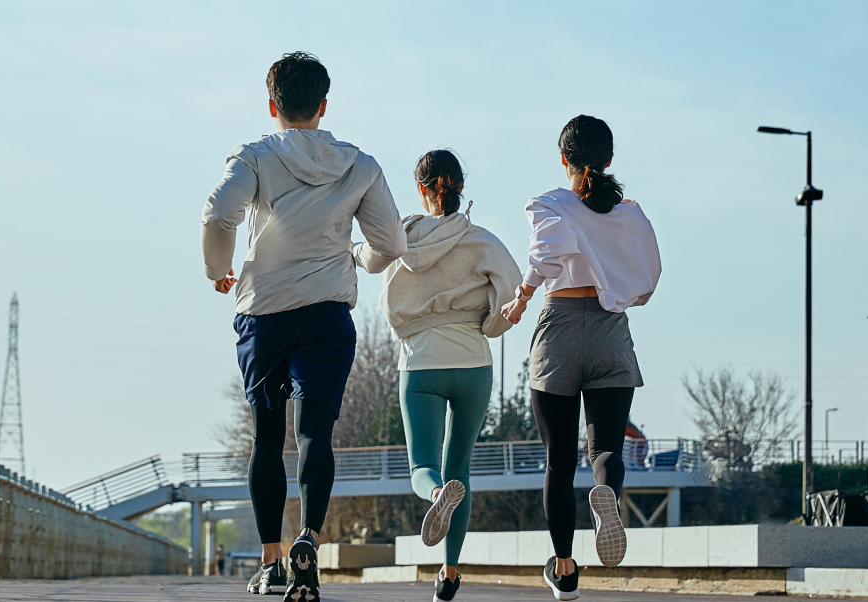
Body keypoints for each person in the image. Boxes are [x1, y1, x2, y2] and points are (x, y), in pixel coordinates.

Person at [201, 51, 407, 601]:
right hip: (327, 315)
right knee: (315, 433)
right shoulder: (361, 165)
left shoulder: (255, 157)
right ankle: (309, 538)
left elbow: (219, 214)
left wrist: (218, 270)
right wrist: (357, 256)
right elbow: (392, 245)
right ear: (323, 105)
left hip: (264, 314)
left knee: (268, 437)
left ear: (272, 105)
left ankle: (270, 563)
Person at [500, 115, 660, 601]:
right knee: (606, 447)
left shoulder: (551, 203)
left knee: (558, 461)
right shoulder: (631, 214)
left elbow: (549, 250)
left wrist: (523, 296)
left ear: (563, 158)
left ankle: (565, 568)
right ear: (609, 159)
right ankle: (607, 494)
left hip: (560, 328)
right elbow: (648, 282)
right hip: (611, 330)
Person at [356, 150, 521, 602]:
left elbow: (369, 258)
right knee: (460, 467)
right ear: (461, 187)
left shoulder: (402, 235)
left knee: (424, 467)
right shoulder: (482, 240)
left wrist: (350, 249)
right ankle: (449, 574)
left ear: (421, 190)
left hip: (421, 361)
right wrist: (488, 325)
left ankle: (434, 498)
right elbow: (510, 293)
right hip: (473, 362)